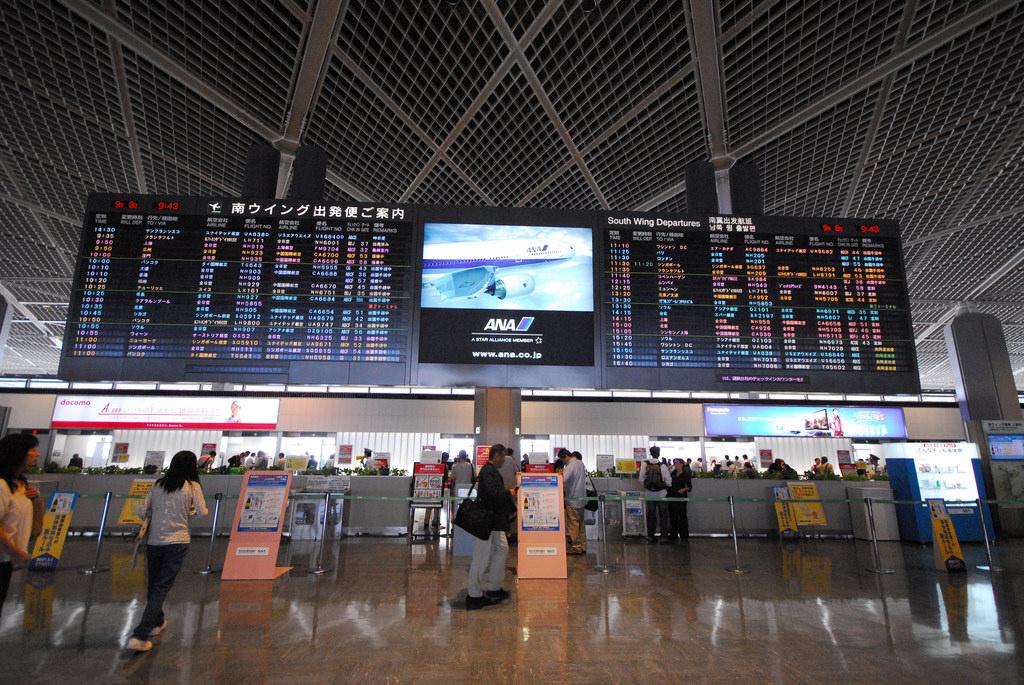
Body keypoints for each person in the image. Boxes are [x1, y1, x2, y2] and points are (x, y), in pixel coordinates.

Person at [127, 450, 209, 652]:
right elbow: (202, 511)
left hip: (155, 541)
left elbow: (143, 509)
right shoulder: (192, 486)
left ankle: (157, 622)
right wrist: (185, 511)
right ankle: (140, 634)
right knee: (162, 586)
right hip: (178, 541)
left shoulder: (158, 484)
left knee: (155, 584)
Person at [465, 444, 515, 610]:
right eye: (502, 457)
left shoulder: (491, 471)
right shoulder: (488, 472)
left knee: (502, 548)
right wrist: (511, 493)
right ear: (496, 456)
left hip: (494, 521)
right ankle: (474, 595)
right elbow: (495, 494)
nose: (504, 460)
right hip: (486, 521)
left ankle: (494, 587)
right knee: (481, 557)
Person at [0, 435, 40, 616]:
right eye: (31, 450)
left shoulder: (20, 484)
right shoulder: (1, 485)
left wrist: (33, 500)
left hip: (6, 560)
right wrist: (16, 551)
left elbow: (31, 526)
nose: (36, 454)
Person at [639, 447, 671, 542]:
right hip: (661, 494)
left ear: (650, 453)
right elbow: (668, 481)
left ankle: (651, 536)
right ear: (659, 453)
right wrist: (664, 485)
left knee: (651, 515)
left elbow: (641, 479)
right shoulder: (662, 465)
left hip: (649, 494)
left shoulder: (645, 464)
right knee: (663, 515)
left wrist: (648, 486)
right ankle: (663, 536)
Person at [562, 450, 587, 555]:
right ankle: (583, 545)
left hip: (572, 499)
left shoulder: (570, 466)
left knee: (573, 524)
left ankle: (576, 547)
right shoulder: (580, 463)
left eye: (563, 460)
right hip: (581, 498)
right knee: (581, 524)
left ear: (566, 456)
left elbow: (563, 479)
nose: (564, 462)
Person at [665, 458, 691, 543]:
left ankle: (684, 535)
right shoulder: (672, 474)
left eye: (677, 463)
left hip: (681, 498)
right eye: (674, 463)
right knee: (673, 516)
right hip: (672, 497)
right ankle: (674, 534)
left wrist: (684, 489)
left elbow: (689, 487)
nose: (675, 465)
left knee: (682, 517)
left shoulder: (685, 475)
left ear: (681, 464)